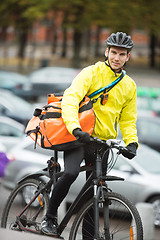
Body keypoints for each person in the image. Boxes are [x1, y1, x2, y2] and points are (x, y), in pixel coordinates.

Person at [41, 32, 139, 238]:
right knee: (70, 173)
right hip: (79, 137)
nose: (116, 58)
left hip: (101, 144)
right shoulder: (91, 73)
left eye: (122, 54)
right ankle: (49, 218)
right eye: (114, 52)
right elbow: (70, 99)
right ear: (107, 52)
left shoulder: (129, 86)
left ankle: (87, 237)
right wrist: (75, 128)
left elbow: (128, 120)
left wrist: (132, 143)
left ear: (127, 57)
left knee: (92, 194)